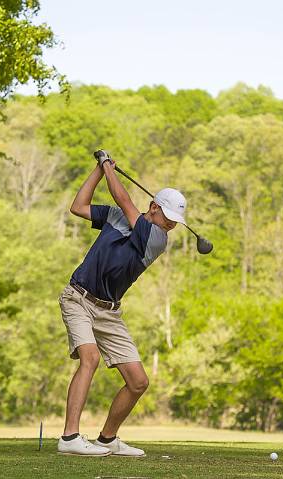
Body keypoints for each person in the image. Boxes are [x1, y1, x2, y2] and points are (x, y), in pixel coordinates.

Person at [56, 151, 187, 457]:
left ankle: (107, 439)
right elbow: (79, 207)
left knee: (138, 382)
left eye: (176, 222)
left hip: (109, 311)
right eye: (169, 218)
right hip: (78, 298)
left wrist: (107, 167)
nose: (171, 226)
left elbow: (126, 201)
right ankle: (69, 437)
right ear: (153, 207)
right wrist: (98, 172)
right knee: (90, 359)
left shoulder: (156, 239)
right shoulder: (117, 218)